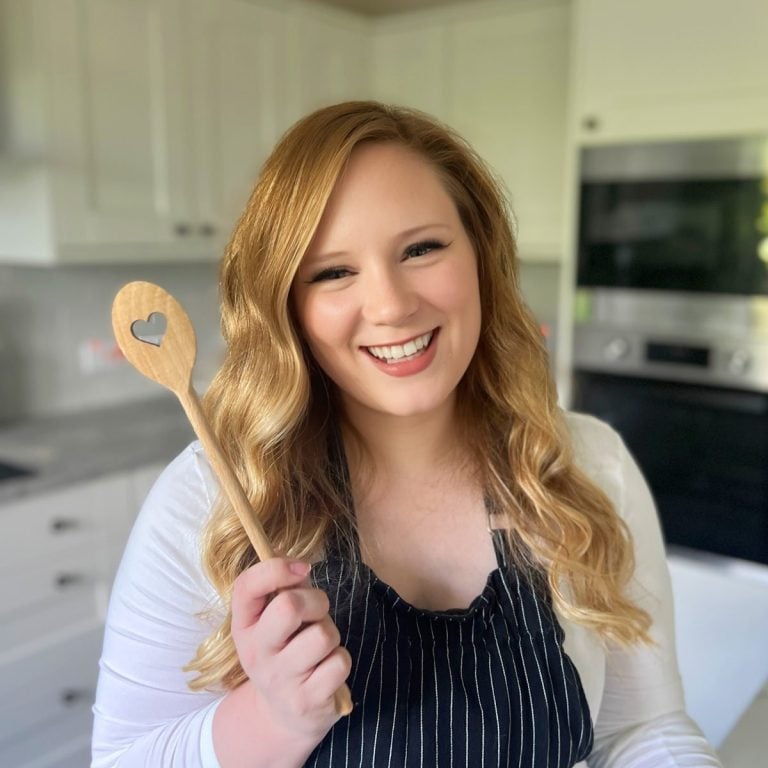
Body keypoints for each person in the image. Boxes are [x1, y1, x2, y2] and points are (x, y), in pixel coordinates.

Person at [91, 101, 722, 768]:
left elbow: (642, 732)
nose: (391, 305)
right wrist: (271, 721)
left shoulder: (587, 466)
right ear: (287, 306)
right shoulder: (213, 498)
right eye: (333, 272)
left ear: (480, 255)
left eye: (422, 249)